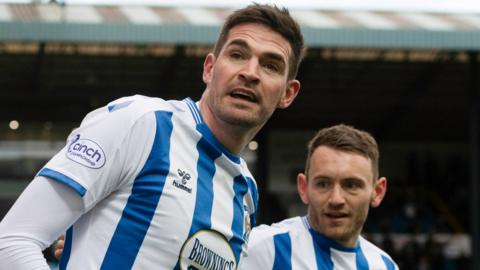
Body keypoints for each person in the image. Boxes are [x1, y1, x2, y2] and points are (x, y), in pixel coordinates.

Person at [0, 4, 304, 269]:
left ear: (287, 94)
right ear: (210, 69)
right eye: (238, 54)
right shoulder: (142, 123)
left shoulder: (246, 192)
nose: (250, 72)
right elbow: (12, 241)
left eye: (270, 65)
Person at [239, 124, 399, 269]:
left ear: (377, 192)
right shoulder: (261, 248)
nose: (336, 199)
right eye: (323, 184)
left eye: (351, 185)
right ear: (303, 187)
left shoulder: (384, 266)